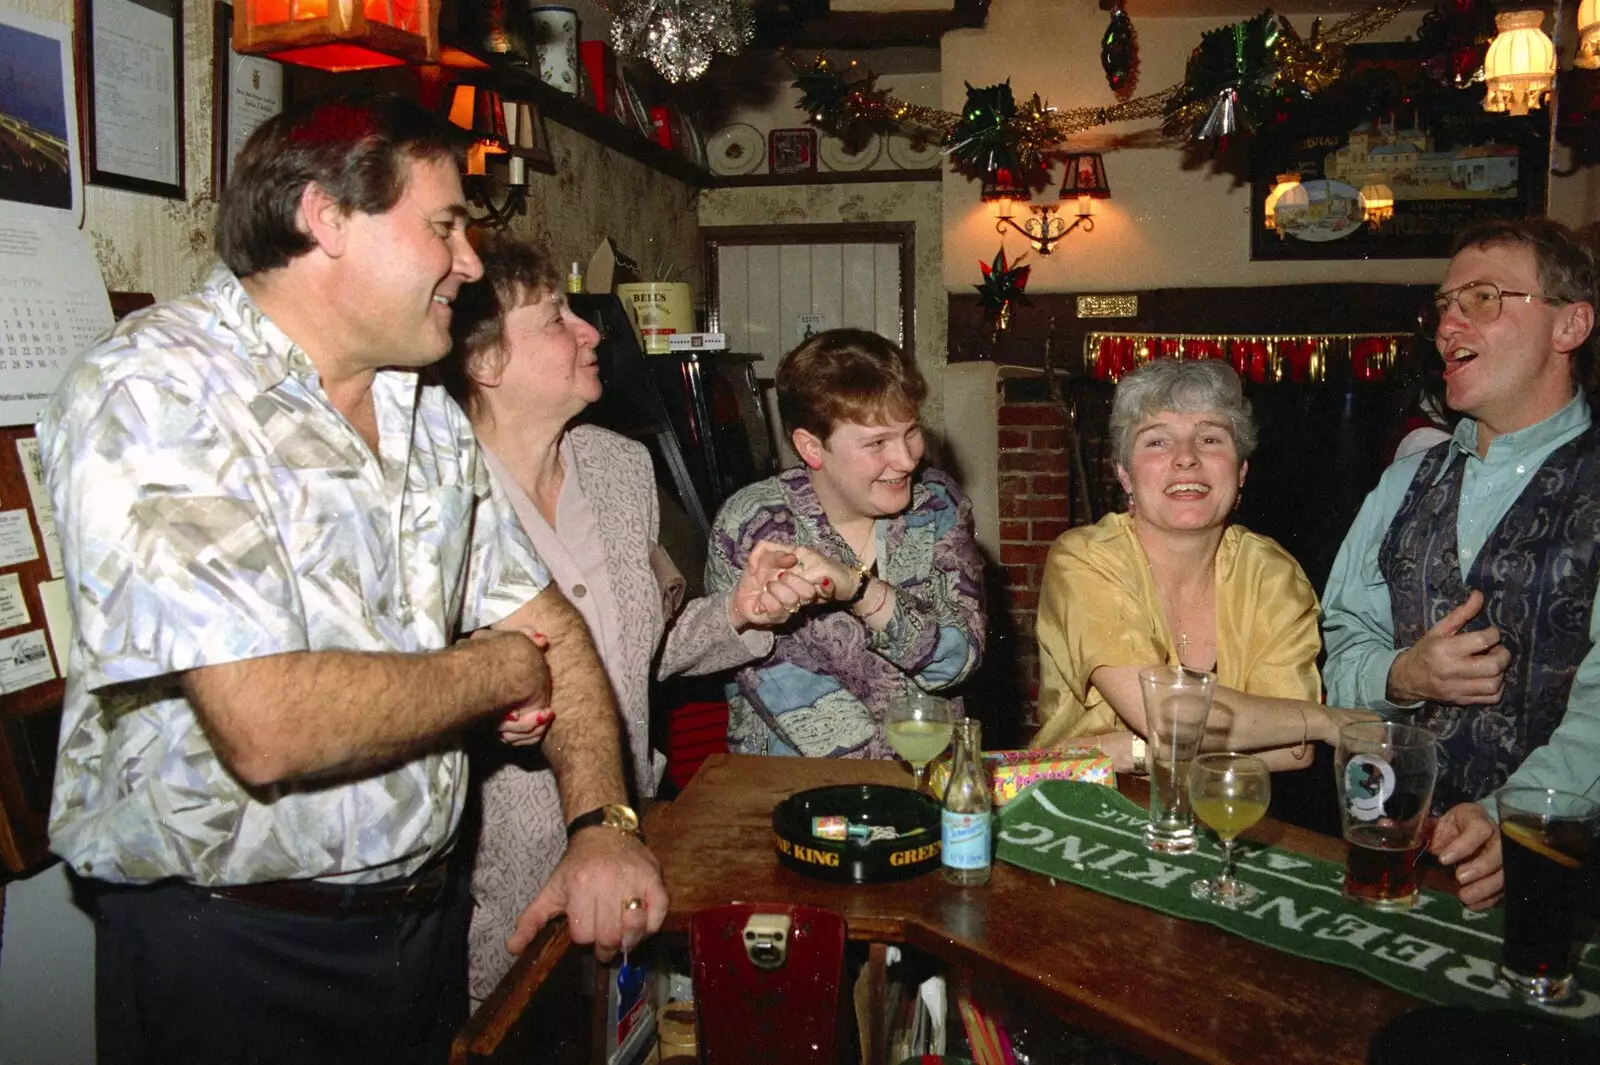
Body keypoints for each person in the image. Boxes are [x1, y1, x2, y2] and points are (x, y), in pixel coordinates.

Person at [37, 96, 664, 1065]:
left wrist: (601, 823)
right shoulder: (157, 395)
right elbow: (269, 723)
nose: (468, 262)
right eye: (446, 226)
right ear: (325, 217)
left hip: (420, 935)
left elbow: (558, 635)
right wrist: (497, 672)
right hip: (237, 954)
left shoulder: (425, 412)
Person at [435, 238, 812, 999]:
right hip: (499, 890)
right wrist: (481, 704)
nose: (591, 332)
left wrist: (738, 612)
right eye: (555, 321)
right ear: (485, 364)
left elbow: (634, 652)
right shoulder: (435, 489)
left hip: (631, 849)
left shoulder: (618, 466)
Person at [1322, 218, 1599, 911]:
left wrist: (1519, 813)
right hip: (1390, 868)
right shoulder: (1403, 482)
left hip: (1559, 877)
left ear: (1570, 326)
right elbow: (1338, 654)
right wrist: (1401, 673)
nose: (1449, 325)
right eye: (1444, 305)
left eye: (1482, 298)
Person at [1033, 358, 1369, 772]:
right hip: (1079, 812)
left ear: (1241, 471)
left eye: (1210, 439)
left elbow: (1293, 752)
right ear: (1125, 476)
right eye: (1157, 441)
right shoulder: (1085, 557)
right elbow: (1166, 717)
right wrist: (1321, 719)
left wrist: (1121, 751)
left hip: (1218, 815)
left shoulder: (1272, 574)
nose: (1186, 458)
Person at [676, 328, 986, 758]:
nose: (907, 458)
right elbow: (790, 695)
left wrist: (860, 589)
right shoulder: (756, 524)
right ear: (811, 447)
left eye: (910, 432)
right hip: (792, 787)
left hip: (925, 770)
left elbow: (959, 659)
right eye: (877, 442)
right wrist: (891, 784)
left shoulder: (935, 505)